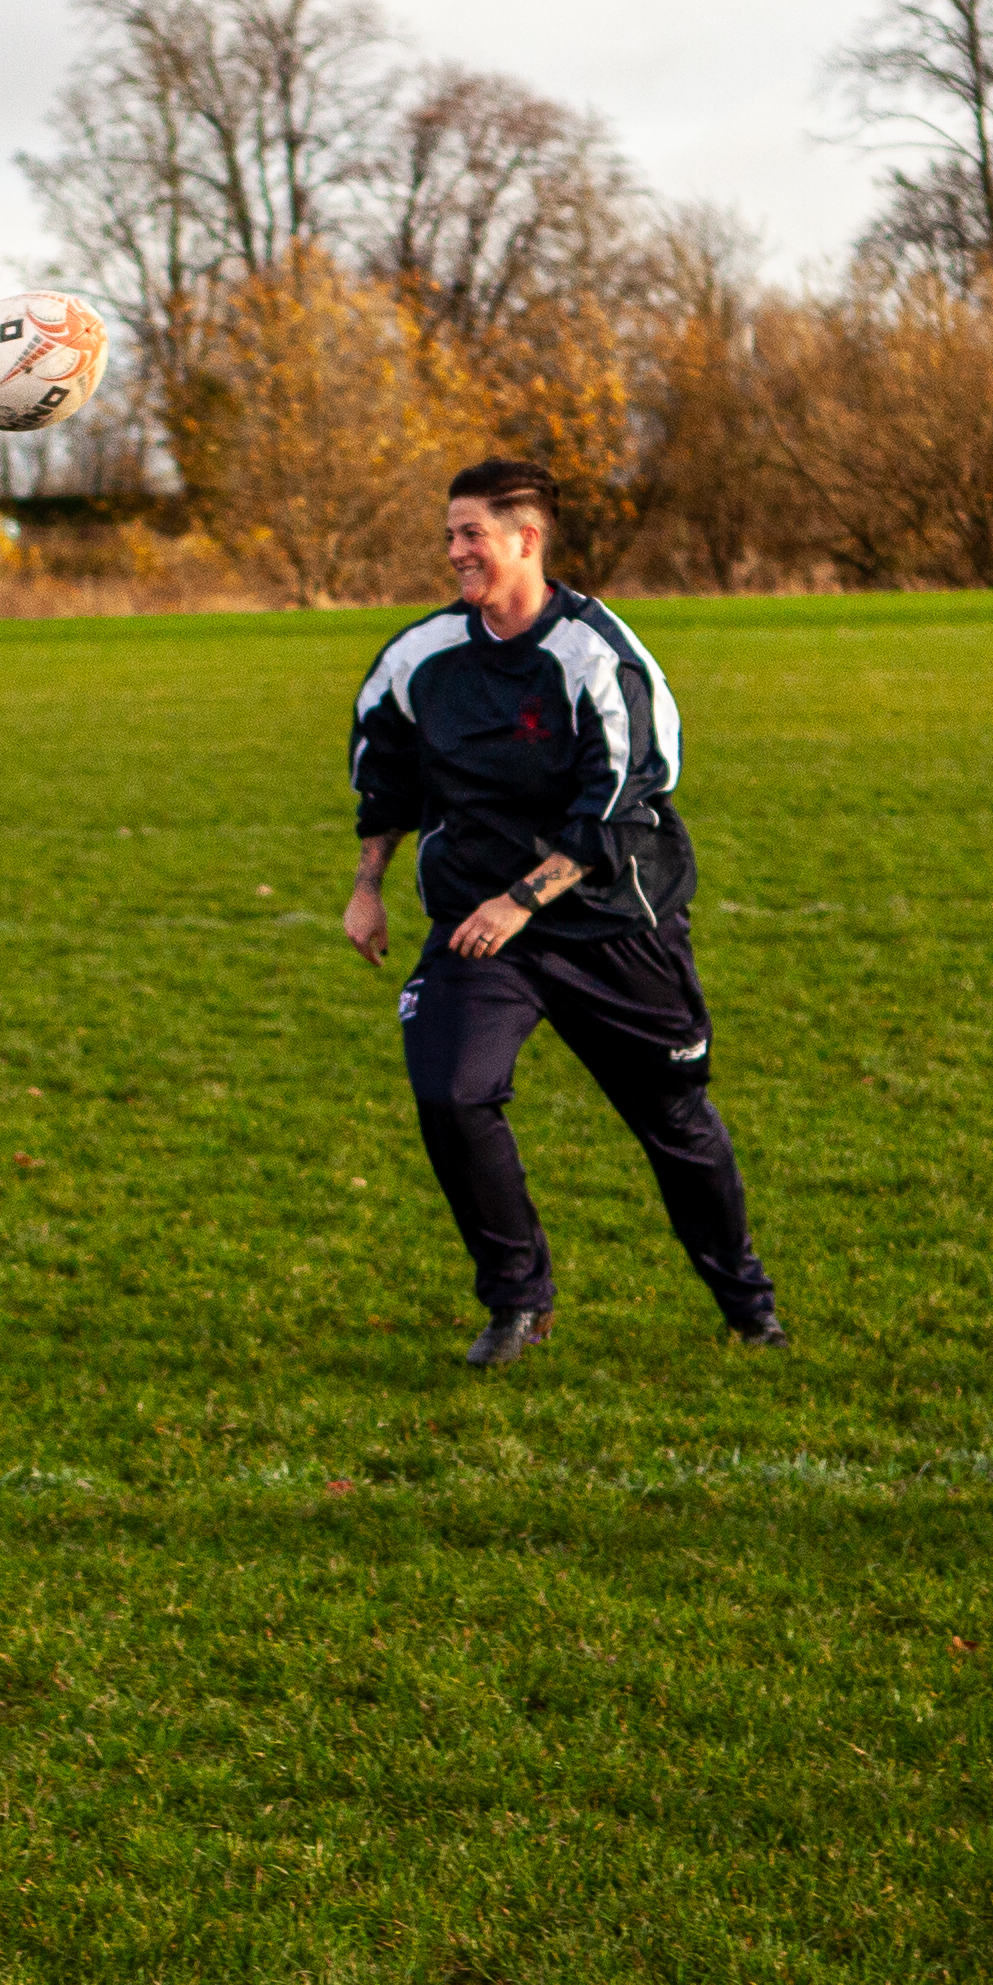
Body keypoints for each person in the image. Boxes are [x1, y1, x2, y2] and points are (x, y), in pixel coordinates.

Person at [346, 459, 787, 1365]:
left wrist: (521, 900)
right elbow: (383, 766)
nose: (455, 550)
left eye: (470, 532)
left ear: (525, 539)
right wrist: (367, 882)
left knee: (674, 1121)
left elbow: (622, 797)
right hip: (479, 928)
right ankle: (518, 1300)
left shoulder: (597, 654)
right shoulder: (418, 658)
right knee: (450, 1091)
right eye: (448, 534)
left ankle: (747, 1303)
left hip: (613, 923)